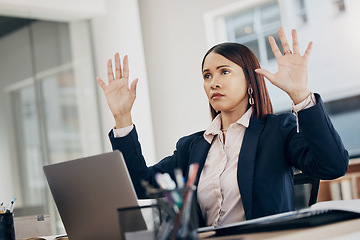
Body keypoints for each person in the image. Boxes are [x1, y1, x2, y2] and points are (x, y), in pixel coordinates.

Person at [97, 28, 348, 227]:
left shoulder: (277, 130)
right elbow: (142, 187)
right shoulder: (191, 147)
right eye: (207, 76)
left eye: (224, 72)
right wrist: (122, 117)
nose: (213, 82)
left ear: (251, 80)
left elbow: (332, 165)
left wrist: (300, 95)